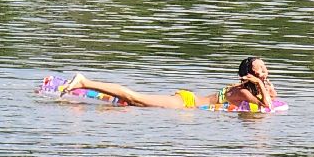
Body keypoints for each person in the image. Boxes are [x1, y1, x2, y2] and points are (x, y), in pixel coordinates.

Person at [57, 56, 279, 109]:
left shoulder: (252, 87)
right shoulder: (242, 91)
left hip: (189, 103)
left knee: (132, 104)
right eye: (261, 67)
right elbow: (267, 106)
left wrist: (264, 83)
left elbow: (274, 98)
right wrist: (260, 85)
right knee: (134, 97)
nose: (265, 68)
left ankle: (86, 85)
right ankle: (84, 82)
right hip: (186, 103)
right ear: (251, 72)